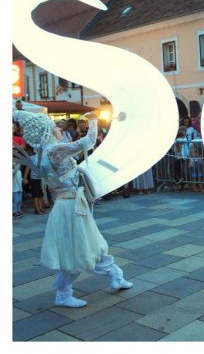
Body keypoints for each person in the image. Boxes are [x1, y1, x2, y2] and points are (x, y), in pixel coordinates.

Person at [12, 110, 132, 308]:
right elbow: (88, 142)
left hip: (70, 204)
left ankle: (115, 276)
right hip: (70, 207)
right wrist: (93, 119)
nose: (58, 128)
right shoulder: (54, 150)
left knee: (91, 244)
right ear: (47, 131)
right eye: (54, 126)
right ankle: (63, 294)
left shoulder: (41, 154)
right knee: (75, 251)